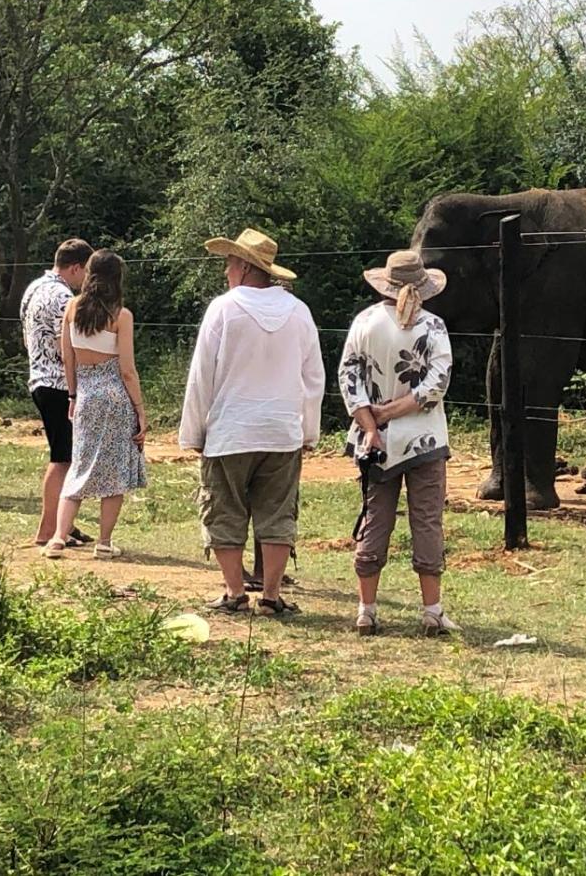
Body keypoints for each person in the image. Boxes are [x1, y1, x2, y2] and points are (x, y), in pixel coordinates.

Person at [179, 229, 324, 616]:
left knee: (224, 508)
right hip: (281, 430)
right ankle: (271, 596)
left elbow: (202, 375)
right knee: (277, 512)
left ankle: (234, 592)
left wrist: (194, 431)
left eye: (229, 262)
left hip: (231, 429)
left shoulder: (223, 309)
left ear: (244, 266)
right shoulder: (299, 311)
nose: (226, 270)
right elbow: (313, 377)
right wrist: (307, 430)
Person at [338, 250, 458, 636]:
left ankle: (366, 609)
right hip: (424, 439)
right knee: (427, 520)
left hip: (376, 440)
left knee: (375, 517)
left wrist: (370, 424)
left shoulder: (365, 321)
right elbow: (436, 386)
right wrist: (393, 411)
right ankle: (432, 610)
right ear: (422, 286)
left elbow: (348, 377)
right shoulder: (433, 326)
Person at [42, 250, 148, 559]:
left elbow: (68, 358)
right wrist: (140, 409)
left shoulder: (72, 308)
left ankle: (58, 537)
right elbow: (127, 370)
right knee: (114, 471)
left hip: (86, 395)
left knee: (79, 464)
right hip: (114, 396)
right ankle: (104, 542)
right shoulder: (121, 315)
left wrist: (73, 396)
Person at [19, 238, 95, 547]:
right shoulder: (64, 297)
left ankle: (65, 524)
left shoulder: (33, 288)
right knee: (63, 458)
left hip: (39, 377)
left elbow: (26, 337)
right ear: (75, 268)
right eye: (86, 272)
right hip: (59, 384)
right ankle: (48, 530)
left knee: (65, 455)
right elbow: (71, 345)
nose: (86, 280)